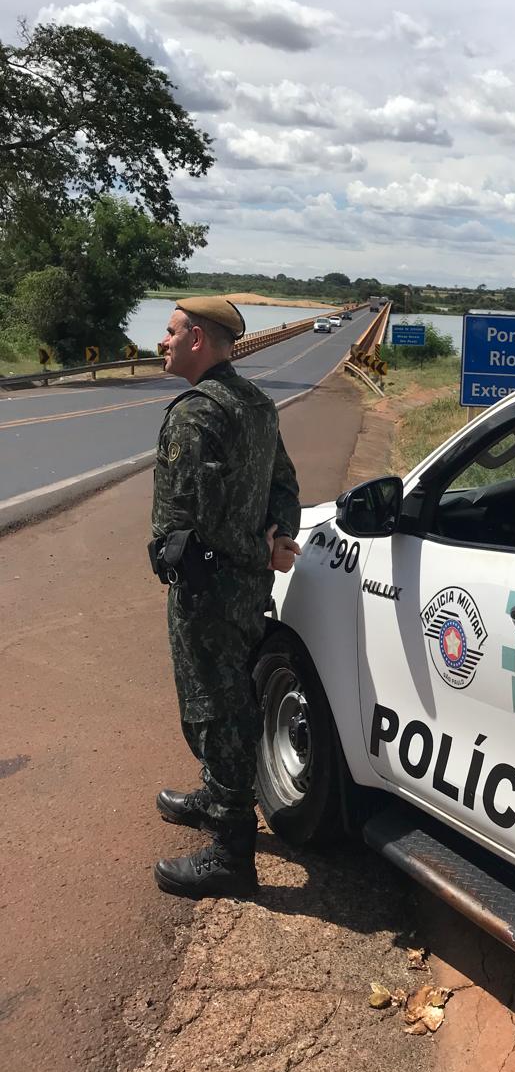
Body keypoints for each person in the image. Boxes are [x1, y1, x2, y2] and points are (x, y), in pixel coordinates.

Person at [150, 297, 301, 899]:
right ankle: (218, 794)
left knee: (212, 707)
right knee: (230, 696)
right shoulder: (256, 403)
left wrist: (172, 551)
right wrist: (276, 535)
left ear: (197, 341)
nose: (161, 341)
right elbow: (284, 482)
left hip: (208, 589)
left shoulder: (196, 413)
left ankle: (231, 854)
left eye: (170, 332)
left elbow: (194, 514)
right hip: (247, 584)